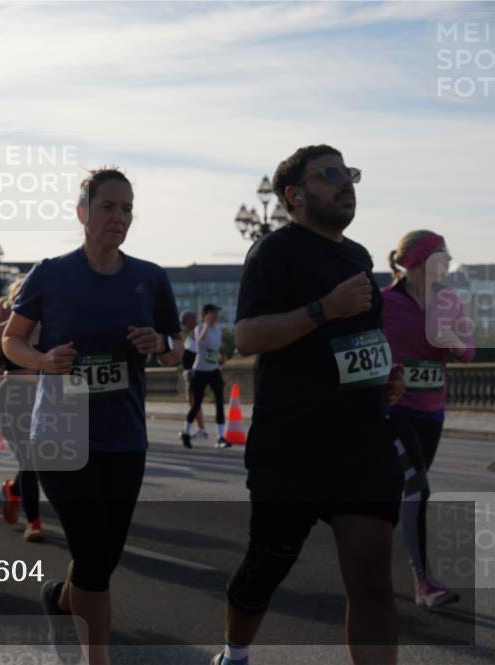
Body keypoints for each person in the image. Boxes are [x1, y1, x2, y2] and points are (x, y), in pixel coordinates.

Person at [215, 145, 406, 665]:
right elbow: (249, 335)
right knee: (268, 566)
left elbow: (362, 334)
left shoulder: (357, 256)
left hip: (362, 444)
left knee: (372, 581)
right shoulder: (275, 252)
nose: (347, 184)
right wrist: (324, 308)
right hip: (292, 446)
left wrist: (382, 371)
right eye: (331, 176)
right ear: (295, 196)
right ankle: (235, 653)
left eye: (351, 175)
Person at [3, 167, 183, 665]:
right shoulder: (52, 273)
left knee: (101, 557)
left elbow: (175, 351)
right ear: (83, 213)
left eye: (127, 208)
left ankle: (58, 598)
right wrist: (42, 360)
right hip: (60, 435)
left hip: (124, 437)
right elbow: (10, 341)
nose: (118, 217)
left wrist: (160, 343)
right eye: (108, 206)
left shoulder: (149, 277)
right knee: (95, 557)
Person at [383, 230, 475, 608]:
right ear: (419, 260)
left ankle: (364, 555)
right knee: (418, 487)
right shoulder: (385, 302)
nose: (449, 261)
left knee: (398, 495)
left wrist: (453, 342)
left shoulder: (449, 300)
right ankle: (424, 583)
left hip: (431, 412)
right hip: (392, 410)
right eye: (442, 254)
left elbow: (468, 352)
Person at [0, 276, 43, 542]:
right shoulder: (0, 332)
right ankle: (34, 522)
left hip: (44, 399)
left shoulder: (51, 328)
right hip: (11, 400)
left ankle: (14, 489)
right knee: (30, 460)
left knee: (39, 460)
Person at [181, 304, 231, 449]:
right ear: (206, 315)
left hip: (213, 370)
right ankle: (186, 432)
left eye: (216, 313)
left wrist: (220, 358)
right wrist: (206, 326)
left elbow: (214, 348)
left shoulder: (219, 330)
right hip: (200, 371)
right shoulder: (198, 329)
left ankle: (221, 437)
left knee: (220, 402)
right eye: (213, 313)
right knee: (196, 404)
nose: (216, 316)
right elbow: (201, 344)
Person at [178, 310, 207, 439]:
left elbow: (197, 351)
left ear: (191, 320)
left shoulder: (197, 332)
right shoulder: (193, 332)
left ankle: (200, 429)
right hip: (190, 371)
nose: (183, 325)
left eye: (184, 322)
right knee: (193, 401)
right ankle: (200, 428)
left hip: (193, 372)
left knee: (193, 401)